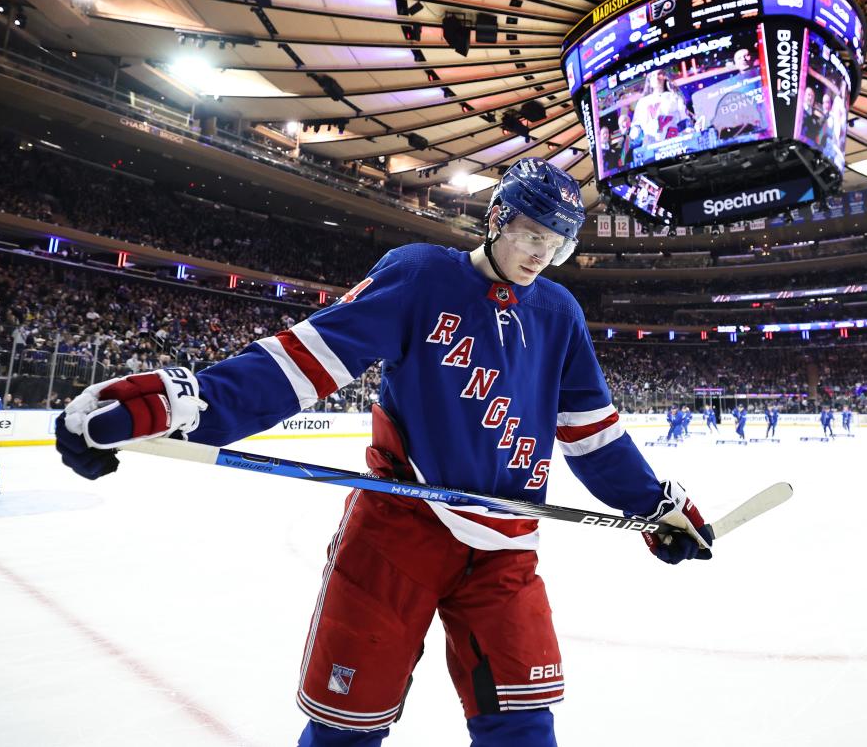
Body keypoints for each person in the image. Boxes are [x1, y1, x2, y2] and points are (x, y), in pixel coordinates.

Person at [54, 158, 714, 747]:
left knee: (523, 726)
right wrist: (183, 405)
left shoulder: (559, 313)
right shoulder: (421, 276)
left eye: (556, 244)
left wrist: (652, 504)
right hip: (400, 532)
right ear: (498, 219)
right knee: (347, 726)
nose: (542, 255)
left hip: (508, 549)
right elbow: (301, 365)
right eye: (532, 235)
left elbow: (593, 436)